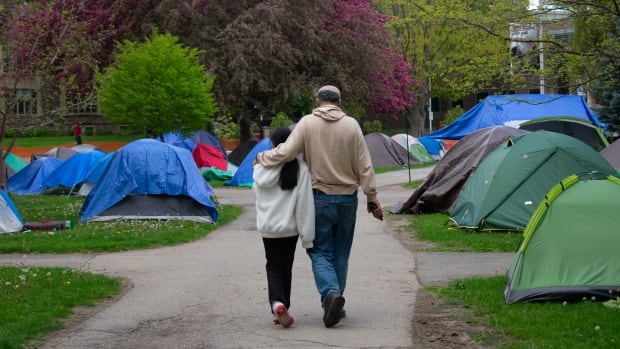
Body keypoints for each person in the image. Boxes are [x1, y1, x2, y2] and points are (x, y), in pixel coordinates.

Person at [255, 85, 383, 328]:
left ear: (317, 102)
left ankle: (330, 295)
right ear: (339, 102)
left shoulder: (307, 123)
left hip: (320, 198)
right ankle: (334, 300)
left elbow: (286, 153)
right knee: (341, 253)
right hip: (347, 199)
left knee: (320, 251)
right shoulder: (352, 125)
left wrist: (262, 158)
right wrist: (372, 196)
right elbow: (365, 166)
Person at [252, 126, 315, 328]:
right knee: (285, 267)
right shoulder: (301, 167)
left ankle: (277, 303)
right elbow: (305, 203)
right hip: (290, 228)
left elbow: (257, 197)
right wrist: (308, 236)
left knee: (273, 265)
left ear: (272, 144)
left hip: (268, 227)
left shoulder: (261, 166)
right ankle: (282, 304)